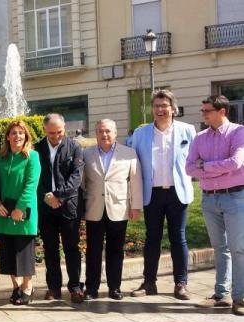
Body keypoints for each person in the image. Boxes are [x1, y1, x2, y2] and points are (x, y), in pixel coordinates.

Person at [128, 90, 197, 300]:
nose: (159, 110)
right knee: (152, 239)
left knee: (179, 238)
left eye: (164, 106)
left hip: (178, 193)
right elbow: (132, 164)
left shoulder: (188, 131)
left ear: (173, 108)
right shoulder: (141, 134)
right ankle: (149, 282)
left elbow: (196, 158)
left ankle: (181, 283)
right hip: (152, 194)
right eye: (156, 106)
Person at [186, 95, 244, 315]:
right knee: (220, 248)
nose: (203, 114)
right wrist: (219, 168)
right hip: (209, 198)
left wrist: (206, 165)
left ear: (222, 112)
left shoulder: (239, 133)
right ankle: (221, 294)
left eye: (207, 111)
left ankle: (241, 297)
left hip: (235, 197)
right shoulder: (200, 137)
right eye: (203, 111)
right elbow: (189, 168)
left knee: (239, 249)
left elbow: (236, 163)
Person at [81, 119, 143, 300]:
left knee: (116, 250)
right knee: (93, 250)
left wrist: (136, 206)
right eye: (100, 131)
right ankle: (91, 288)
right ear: (96, 133)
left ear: (115, 133)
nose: (104, 134)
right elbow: (83, 182)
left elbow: (135, 181)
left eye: (108, 131)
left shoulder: (129, 153)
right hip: (94, 208)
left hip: (119, 207)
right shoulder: (87, 154)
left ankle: (114, 287)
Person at [34, 113, 84, 303]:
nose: (56, 136)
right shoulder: (36, 149)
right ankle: (54, 288)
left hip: (68, 206)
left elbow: (76, 178)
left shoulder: (74, 147)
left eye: (60, 132)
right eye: (52, 133)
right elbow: (34, 177)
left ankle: (75, 287)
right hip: (46, 209)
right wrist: (47, 196)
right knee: (50, 249)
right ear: (45, 130)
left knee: (72, 248)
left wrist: (58, 196)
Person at [0, 121, 41, 305]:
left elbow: (31, 184)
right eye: (13, 133)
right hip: (4, 212)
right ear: (8, 136)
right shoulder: (0, 159)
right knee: (9, 252)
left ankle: (27, 287)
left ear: (26, 136)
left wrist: (20, 208)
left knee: (23, 252)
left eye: (21, 133)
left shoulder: (32, 157)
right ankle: (16, 287)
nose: (17, 136)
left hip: (24, 213)